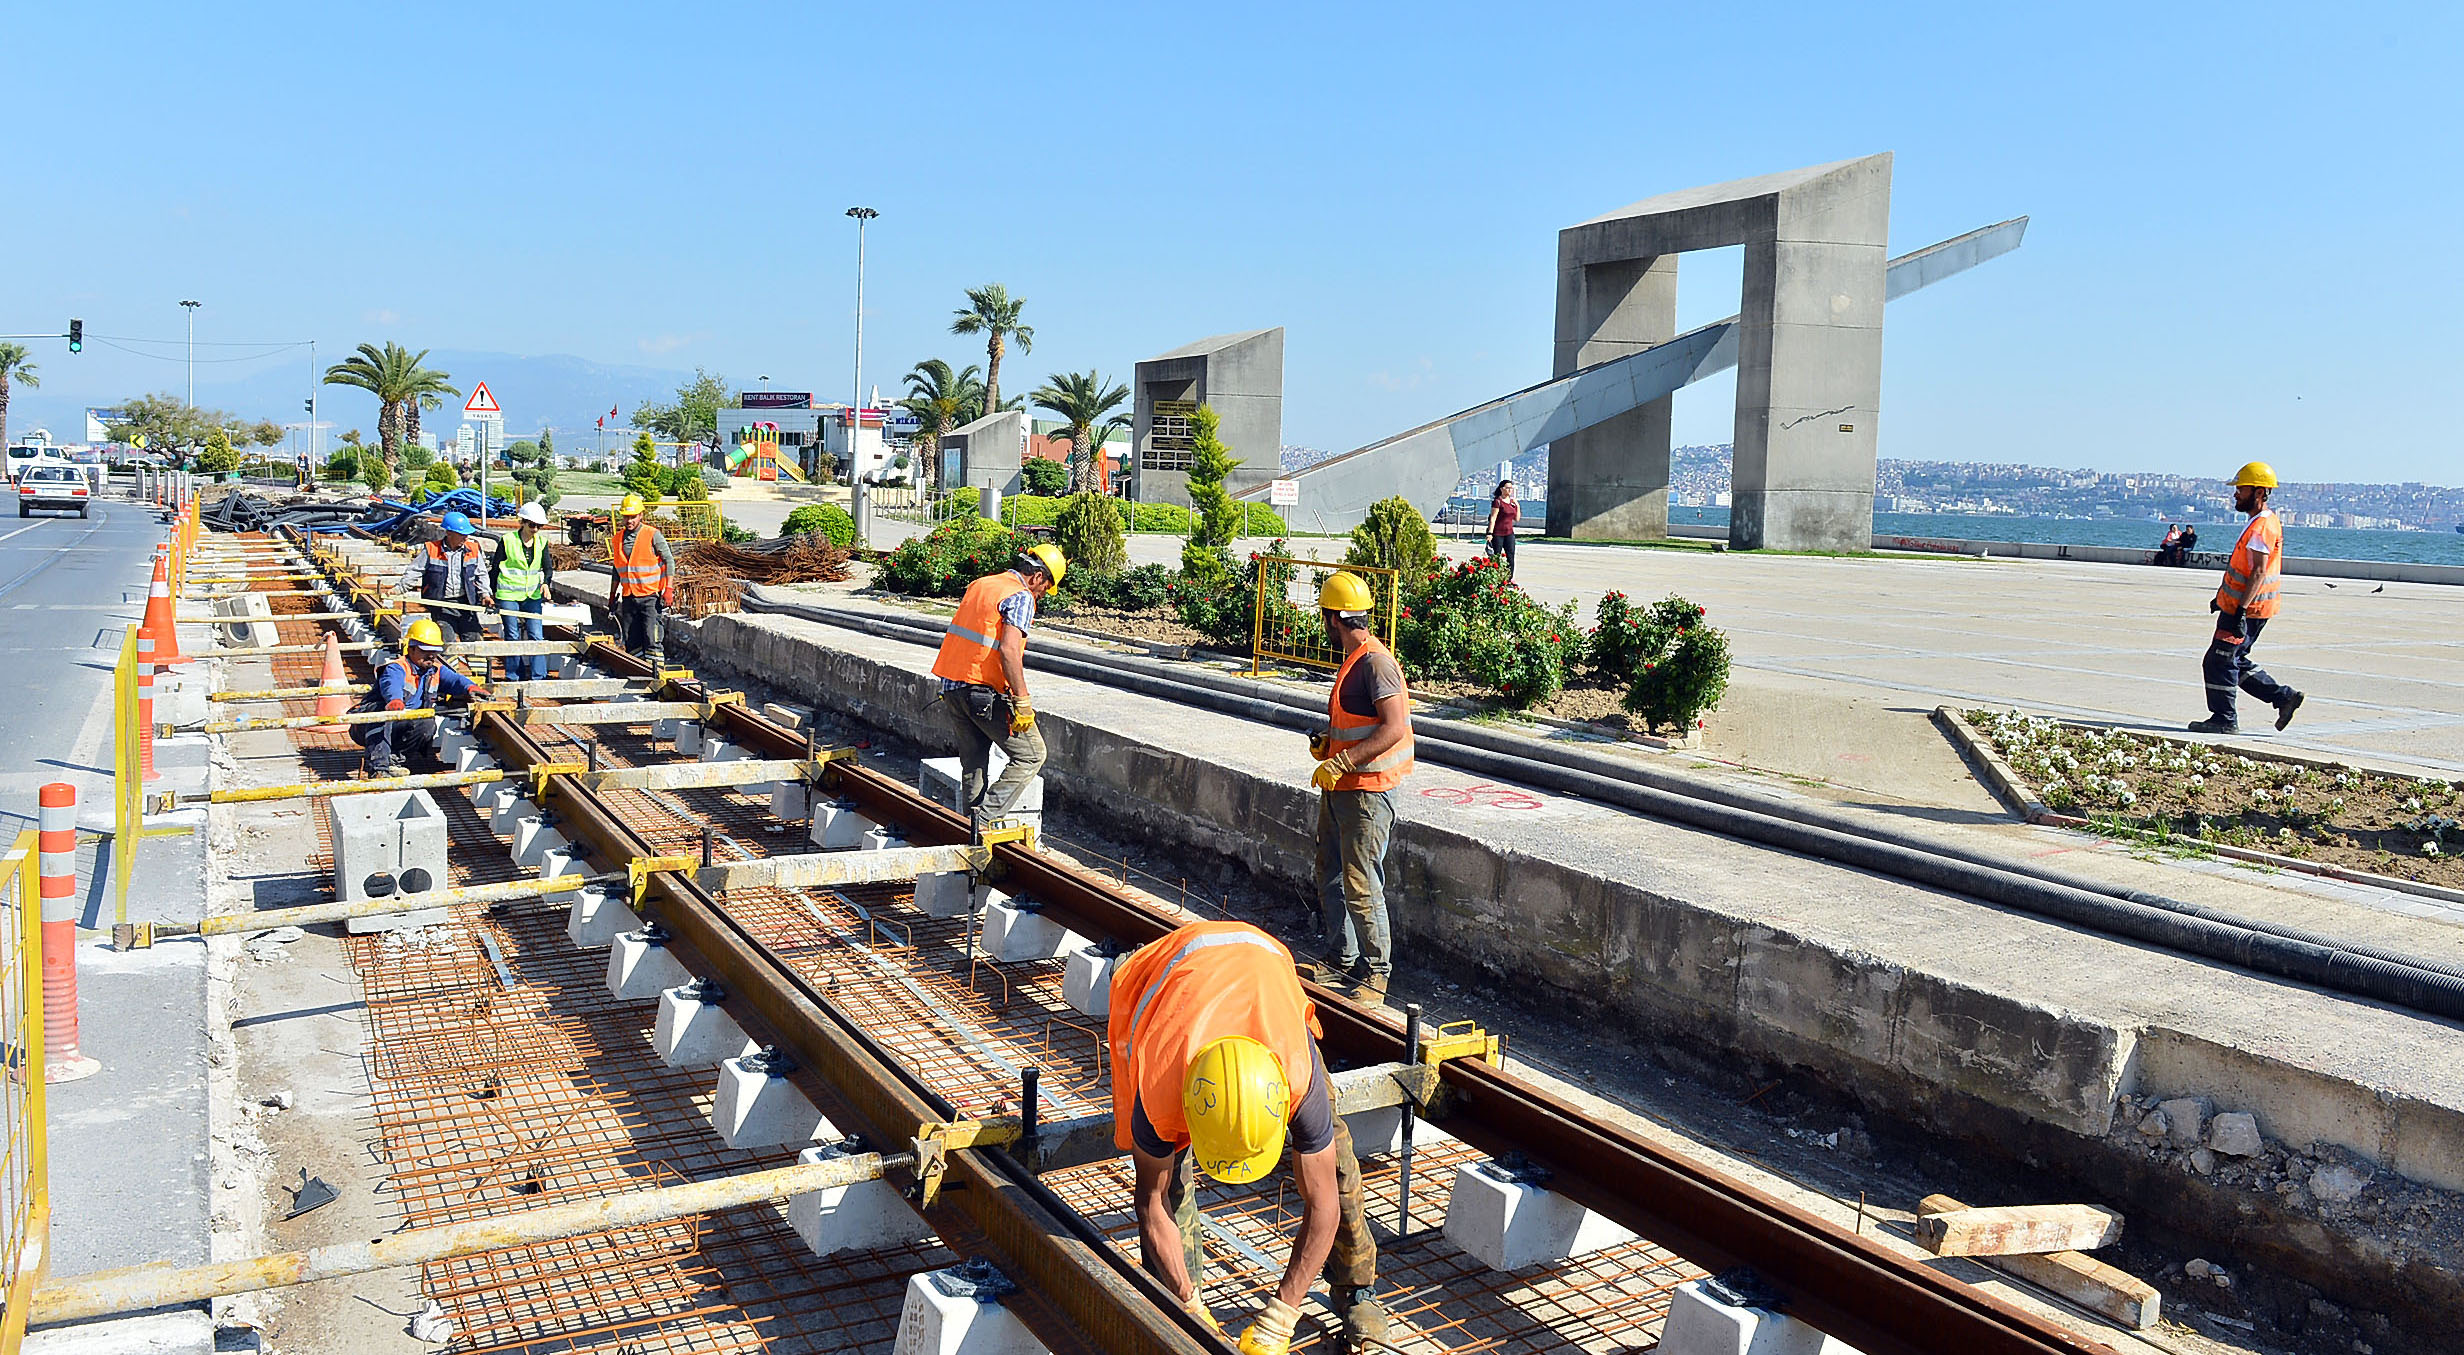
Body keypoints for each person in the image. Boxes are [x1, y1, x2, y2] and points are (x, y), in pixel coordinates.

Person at [1108, 919, 1384, 1353]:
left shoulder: (1296, 1074)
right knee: (1169, 1185)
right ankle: (1183, 1310)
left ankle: (1357, 1289)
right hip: (1174, 989)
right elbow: (1151, 1202)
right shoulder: (1159, 1088)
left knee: (1336, 1161)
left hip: (1263, 974)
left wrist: (1281, 1316)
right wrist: (1189, 1304)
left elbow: (1324, 1203)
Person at [1305, 572, 1414, 1004]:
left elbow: (1393, 728)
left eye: (1324, 619)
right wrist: (1328, 746)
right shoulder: (1354, 660)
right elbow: (1358, 725)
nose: (1324, 626)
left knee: (1361, 882)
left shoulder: (1376, 663)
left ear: (1334, 619)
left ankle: (1376, 973)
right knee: (1329, 873)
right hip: (1342, 787)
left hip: (1367, 794)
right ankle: (1340, 960)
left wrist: (1344, 761)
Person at [930, 544, 1066, 832]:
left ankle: (970, 835)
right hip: (982, 691)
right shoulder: (1021, 596)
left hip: (952, 687)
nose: (1043, 594)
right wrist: (1022, 701)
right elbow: (1009, 651)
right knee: (1031, 754)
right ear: (1038, 576)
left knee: (974, 765)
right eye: (1048, 586)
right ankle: (985, 821)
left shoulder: (983, 584)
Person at [2190, 462, 2304, 735]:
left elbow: (2258, 571)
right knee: (2234, 659)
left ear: (2259, 492)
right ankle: (2283, 697)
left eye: (2241, 489)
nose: (2235, 494)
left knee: (2220, 660)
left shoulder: (2262, 527)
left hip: (2248, 609)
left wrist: (2238, 611)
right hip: (2247, 606)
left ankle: (2224, 719)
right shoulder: (2260, 523)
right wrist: (2223, 600)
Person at [353, 619, 487, 777]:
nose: (431, 655)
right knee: (382, 714)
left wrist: (471, 688)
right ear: (411, 649)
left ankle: (394, 760)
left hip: (402, 724)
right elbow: (392, 684)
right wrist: (395, 700)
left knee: (427, 724)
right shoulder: (397, 667)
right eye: (425, 650)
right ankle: (378, 768)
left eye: (435, 651)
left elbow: (455, 680)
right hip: (368, 725)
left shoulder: (434, 669)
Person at [401, 510, 493, 646]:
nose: (465, 538)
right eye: (462, 534)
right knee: (446, 641)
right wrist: (399, 589)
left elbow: (481, 574)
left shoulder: (473, 549)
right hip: (441, 604)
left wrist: (485, 594)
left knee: (474, 641)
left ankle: (478, 666)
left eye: (466, 534)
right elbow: (414, 571)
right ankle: (448, 665)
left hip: (466, 603)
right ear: (449, 533)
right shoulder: (432, 549)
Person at [607, 493, 676, 668]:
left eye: (633, 517)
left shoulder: (652, 534)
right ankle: (637, 671)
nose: (629, 520)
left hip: (650, 596)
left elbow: (669, 560)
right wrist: (612, 595)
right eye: (626, 517)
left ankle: (655, 674)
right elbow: (617, 569)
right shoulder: (617, 540)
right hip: (629, 597)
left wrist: (669, 588)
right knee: (632, 640)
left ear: (640, 515)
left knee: (652, 637)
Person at [496, 501, 557, 683]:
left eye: (540, 526)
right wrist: (491, 595)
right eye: (532, 525)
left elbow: (547, 568)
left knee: (536, 634)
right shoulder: (508, 540)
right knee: (513, 635)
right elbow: (494, 569)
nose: (536, 529)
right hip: (508, 595)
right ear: (522, 522)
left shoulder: (542, 542)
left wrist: (546, 583)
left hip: (532, 596)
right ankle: (514, 676)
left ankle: (539, 676)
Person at [1484, 479, 1520, 579]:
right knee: (1496, 557)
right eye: (1507, 488)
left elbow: (1517, 519)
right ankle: (1495, 578)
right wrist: (1490, 533)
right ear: (1501, 489)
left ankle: (1509, 579)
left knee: (1511, 556)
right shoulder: (1497, 502)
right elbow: (1493, 518)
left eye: (1511, 488)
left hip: (1509, 533)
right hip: (1498, 533)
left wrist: (1517, 505)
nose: (1509, 490)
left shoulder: (1512, 503)